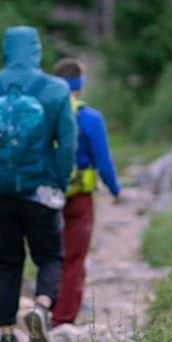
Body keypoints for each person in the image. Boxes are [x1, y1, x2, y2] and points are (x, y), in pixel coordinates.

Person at [0, 26, 76, 342]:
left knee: (9, 262)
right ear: (36, 50)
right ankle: (42, 307)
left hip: (0, 191)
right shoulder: (56, 90)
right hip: (41, 189)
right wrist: (58, 179)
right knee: (50, 256)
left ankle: (8, 338)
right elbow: (67, 143)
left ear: (6, 49)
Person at [50, 58, 121, 327]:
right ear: (80, 83)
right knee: (74, 257)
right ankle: (63, 318)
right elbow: (103, 162)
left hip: (46, 195)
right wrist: (115, 189)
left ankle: (45, 304)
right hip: (79, 197)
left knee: (50, 254)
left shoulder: (45, 113)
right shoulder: (90, 118)